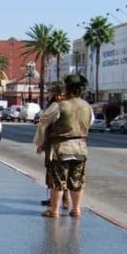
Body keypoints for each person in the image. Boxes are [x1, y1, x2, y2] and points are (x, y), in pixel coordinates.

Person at [35, 74, 93, 218]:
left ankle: (54, 210)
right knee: (77, 180)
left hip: (62, 148)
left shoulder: (60, 106)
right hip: (81, 147)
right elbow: (90, 122)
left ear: (67, 89)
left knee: (58, 181)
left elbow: (43, 121)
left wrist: (41, 142)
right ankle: (76, 210)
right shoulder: (87, 106)